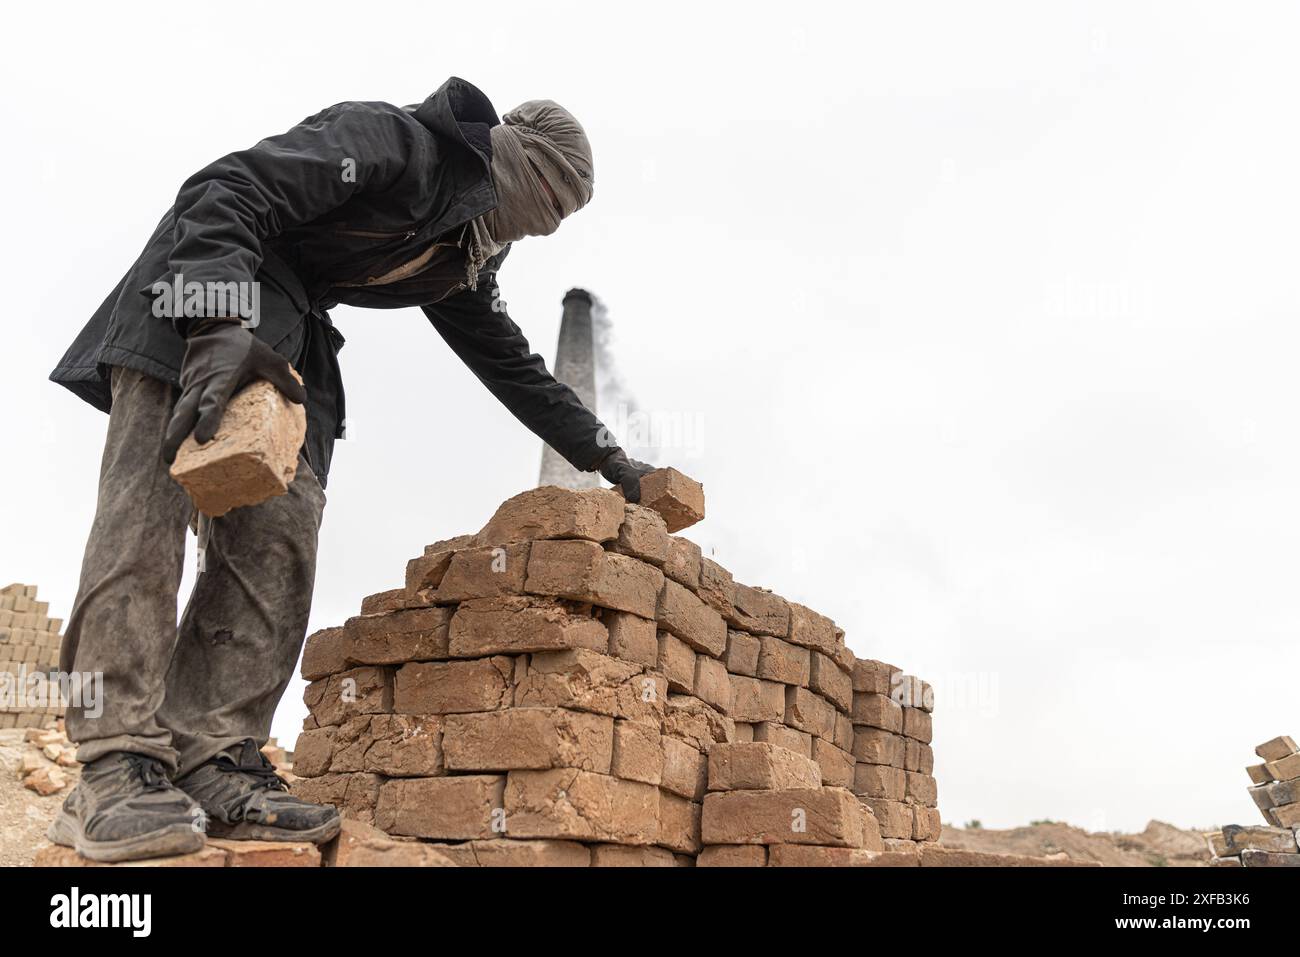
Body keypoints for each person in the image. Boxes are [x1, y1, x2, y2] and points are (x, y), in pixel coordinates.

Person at [47, 76, 653, 862]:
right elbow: (227, 187)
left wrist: (606, 455)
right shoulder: (397, 145)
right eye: (549, 202)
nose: (541, 229)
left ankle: (214, 759)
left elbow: (510, 361)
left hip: (290, 341)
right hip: (196, 304)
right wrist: (217, 321)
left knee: (280, 542)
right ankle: (112, 763)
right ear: (515, 161)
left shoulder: (461, 250)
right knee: (146, 524)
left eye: (560, 220)